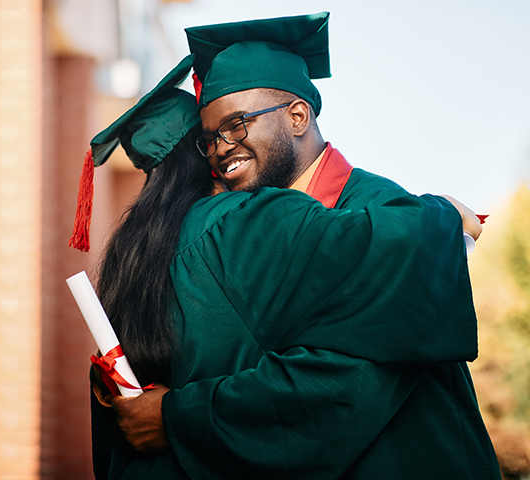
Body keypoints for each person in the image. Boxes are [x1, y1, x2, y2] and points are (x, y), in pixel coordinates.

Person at [108, 13, 501, 480]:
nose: (220, 150)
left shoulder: (376, 208)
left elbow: (338, 388)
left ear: (297, 116)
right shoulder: (244, 235)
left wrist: (440, 218)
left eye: (237, 125)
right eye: (209, 139)